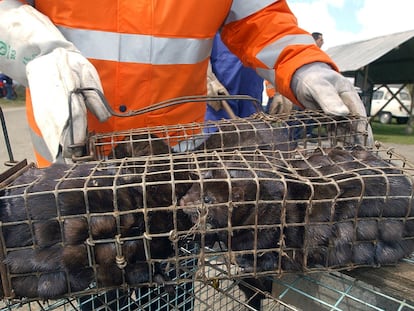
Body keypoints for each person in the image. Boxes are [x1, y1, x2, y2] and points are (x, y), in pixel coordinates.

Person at [0, 0, 372, 169]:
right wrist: (39, 52)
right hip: (75, 159)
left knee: (173, 289)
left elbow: (263, 19)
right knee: (96, 284)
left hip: (176, 168)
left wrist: (304, 65)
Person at [206, 32, 263, 122]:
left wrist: (278, 92)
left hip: (251, 88)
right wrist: (207, 78)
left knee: (252, 127)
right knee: (218, 130)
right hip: (221, 89)